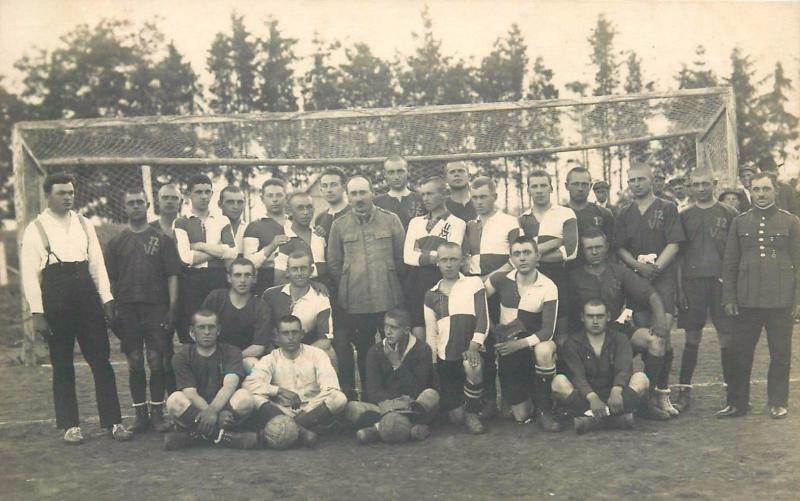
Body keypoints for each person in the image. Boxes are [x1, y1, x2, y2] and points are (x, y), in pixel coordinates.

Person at [20, 172, 132, 444]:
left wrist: (106, 299)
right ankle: (70, 426)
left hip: (86, 295)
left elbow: (97, 265)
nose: (68, 197)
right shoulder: (36, 228)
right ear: (48, 195)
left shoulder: (84, 223)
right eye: (61, 193)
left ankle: (113, 422)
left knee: (101, 361)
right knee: (62, 363)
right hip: (56, 297)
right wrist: (37, 314)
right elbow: (29, 275)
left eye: (70, 192)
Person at [565, 229, 671, 421]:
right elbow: (565, 312)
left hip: (615, 329)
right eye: (590, 248)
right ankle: (578, 403)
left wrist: (660, 320)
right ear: (583, 251)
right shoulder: (574, 277)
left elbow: (651, 294)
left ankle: (646, 400)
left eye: (598, 247)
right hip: (585, 335)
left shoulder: (619, 271)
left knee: (656, 341)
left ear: (606, 248)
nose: (595, 252)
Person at [718, 172, 800, 420]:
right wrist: (729, 298)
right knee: (739, 352)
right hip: (747, 300)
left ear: (775, 190)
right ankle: (737, 403)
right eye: (756, 190)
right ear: (750, 192)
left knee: (780, 354)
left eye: (765, 189)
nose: (761, 195)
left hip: (780, 300)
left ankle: (777, 402)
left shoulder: (791, 222)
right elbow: (730, 264)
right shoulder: (740, 222)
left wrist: (798, 301)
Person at [105, 188, 181, 434]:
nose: (136, 206)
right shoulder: (116, 242)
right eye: (131, 203)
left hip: (156, 308)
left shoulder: (162, 239)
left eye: (140, 202)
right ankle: (140, 415)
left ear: (148, 204)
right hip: (127, 309)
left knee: (156, 360)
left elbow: (172, 276)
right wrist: (111, 307)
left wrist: (172, 308)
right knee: (134, 361)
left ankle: (158, 413)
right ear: (124, 206)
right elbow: (110, 280)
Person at [614, 163, 685, 417]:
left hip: (662, 279)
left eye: (640, 179)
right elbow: (620, 248)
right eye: (631, 180)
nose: (636, 184)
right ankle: (645, 395)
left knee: (662, 334)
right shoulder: (623, 213)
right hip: (635, 281)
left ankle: (660, 394)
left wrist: (656, 267)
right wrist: (637, 267)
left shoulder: (667, 208)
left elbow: (675, 243)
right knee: (644, 336)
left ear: (652, 180)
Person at [328, 175, 406, 398]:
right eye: (354, 194)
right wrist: (349, 283)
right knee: (364, 352)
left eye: (363, 192)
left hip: (388, 299)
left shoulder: (391, 220)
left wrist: (389, 280)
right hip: (356, 302)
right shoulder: (339, 225)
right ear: (348, 196)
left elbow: (402, 259)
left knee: (393, 348)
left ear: (372, 193)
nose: (359, 198)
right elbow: (334, 264)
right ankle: (369, 398)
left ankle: (395, 395)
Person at [674, 170, 738, 412]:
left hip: (721, 283)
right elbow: (679, 258)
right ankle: (684, 391)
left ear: (714, 184)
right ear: (690, 187)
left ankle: (732, 392)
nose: (700, 188)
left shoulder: (729, 213)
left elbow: (735, 255)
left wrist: (733, 288)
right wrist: (679, 290)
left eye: (705, 184)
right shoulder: (684, 215)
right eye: (696, 184)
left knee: (727, 337)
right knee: (692, 337)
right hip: (692, 284)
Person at [484, 236, 560, 430]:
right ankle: (524, 400)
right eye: (517, 254)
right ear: (511, 258)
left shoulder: (548, 286)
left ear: (537, 256)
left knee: (544, 350)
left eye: (527, 252)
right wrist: (492, 328)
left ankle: (545, 409)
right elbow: (477, 299)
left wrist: (518, 344)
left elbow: (548, 331)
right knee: (521, 416)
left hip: (533, 344)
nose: (522, 258)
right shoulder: (501, 279)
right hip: (510, 347)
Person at [244, 315, 348, 448]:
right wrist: (279, 390)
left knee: (338, 397)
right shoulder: (271, 359)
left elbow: (330, 387)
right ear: (277, 337)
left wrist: (308, 410)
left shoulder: (317, 354)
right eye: (285, 333)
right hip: (282, 411)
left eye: (295, 332)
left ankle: (289, 428)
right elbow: (249, 384)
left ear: (302, 334)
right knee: (254, 397)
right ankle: (302, 431)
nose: (291, 337)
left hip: (313, 409)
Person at [462, 176, 519, 418]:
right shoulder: (470, 224)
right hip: (478, 289)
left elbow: (516, 258)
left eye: (483, 196)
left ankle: (510, 399)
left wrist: (491, 280)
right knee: (481, 344)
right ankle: (487, 402)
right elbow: (466, 258)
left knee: (504, 342)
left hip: (501, 289)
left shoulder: (509, 221)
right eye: (474, 197)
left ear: (494, 197)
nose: (478, 202)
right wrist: (474, 282)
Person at [164, 310, 258, 450]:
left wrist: (214, 411)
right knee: (174, 400)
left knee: (246, 398)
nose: (207, 332)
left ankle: (194, 435)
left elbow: (229, 386)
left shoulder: (232, 352)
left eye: (211, 327)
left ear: (218, 330)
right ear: (192, 331)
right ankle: (223, 437)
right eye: (201, 327)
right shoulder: (182, 356)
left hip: (224, 409)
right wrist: (211, 413)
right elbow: (190, 393)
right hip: (196, 410)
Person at [553, 299, 650, 434]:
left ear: (608, 317)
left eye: (600, 316)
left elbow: (624, 368)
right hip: (586, 397)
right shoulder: (572, 343)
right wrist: (592, 398)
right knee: (558, 382)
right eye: (590, 316)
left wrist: (616, 392)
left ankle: (592, 420)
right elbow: (576, 375)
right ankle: (616, 419)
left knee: (642, 379)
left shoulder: (620, 338)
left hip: (615, 395)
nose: (595, 321)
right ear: (582, 318)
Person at [343, 309, 439, 444]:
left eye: (393, 328)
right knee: (352, 408)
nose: (387, 332)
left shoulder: (422, 349)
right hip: (385, 407)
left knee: (431, 395)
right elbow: (373, 392)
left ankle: (377, 430)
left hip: (411, 405)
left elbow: (418, 389)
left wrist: (397, 364)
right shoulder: (375, 351)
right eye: (385, 326)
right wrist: (394, 407)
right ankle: (410, 428)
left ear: (406, 330)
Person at [424, 242, 490, 434]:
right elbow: (431, 333)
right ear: (437, 263)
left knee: (473, 364)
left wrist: (473, 346)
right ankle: (467, 402)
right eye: (444, 260)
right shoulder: (431, 294)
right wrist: (434, 362)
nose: (449, 264)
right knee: (455, 418)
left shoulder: (473, 284)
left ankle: (473, 412)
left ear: (461, 261)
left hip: (471, 350)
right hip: (447, 357)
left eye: (453, 259)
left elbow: (483, 320)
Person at [174, 174, 238, 344]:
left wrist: (201, 245)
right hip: (192, 281)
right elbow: (186, 258)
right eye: (198, 192)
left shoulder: (222, 220)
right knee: (194, 327)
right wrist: (219, 250)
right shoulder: (181, 222)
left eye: (207, 192)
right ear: (190, 195)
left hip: (217, 277)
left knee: (219, 325)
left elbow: (232, 252)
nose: (203, 196)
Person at [518, 169, 578, 339]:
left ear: (551, 188)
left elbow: (571, 252)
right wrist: (555, 242)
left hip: (559, 276)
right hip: (531, 280)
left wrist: (533, 254)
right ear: (528, 190)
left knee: (561, 333)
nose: (539, 190)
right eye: (534, 186)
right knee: (533, 330)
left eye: (543, 185)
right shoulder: (523, 219)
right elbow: (520, 254)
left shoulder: (565, 213)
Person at [404, 176, 466, 340]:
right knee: (418, 329)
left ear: (444, 194)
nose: (425, 198)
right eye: (423, 194)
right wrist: (434, 256)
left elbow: (449, 256)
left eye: (430, 194)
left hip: (441, 281)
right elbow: (407, 256)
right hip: (416, 281)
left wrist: (421, 252)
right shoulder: (415, 223)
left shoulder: (457, 223)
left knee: (441, 330)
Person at [261, 251, 337, 365]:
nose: (299, 273)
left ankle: (332, 383)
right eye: (294, 269)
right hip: (274, 349)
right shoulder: (270, 294)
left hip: (305, 347)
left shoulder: (321, 298)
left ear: (311, 271)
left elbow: (325, 340)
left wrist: (299, 356)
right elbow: (263, 330)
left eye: (303, 268)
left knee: (330, 354)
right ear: (287, 272)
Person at [201, 258, 272, 368]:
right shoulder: (216, 298)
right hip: (213, 355)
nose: (242, 280)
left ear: (254, 279)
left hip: (244, 357)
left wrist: (231, 358)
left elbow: (258, 347)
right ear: (229, 278)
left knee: (254, 364)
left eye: (247, 275)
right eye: (238, 275)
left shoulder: (260, 307)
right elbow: (202, 330)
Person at [243, 178, 290, 295]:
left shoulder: (295, 223)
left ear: (286, 197)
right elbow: (248, 264)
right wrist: (272, 246)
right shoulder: (254, 226)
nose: (275, 200)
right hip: (266, 282)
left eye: (279, 195)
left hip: (295, 279)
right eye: (270, 195)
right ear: (262, 198)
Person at [563, 166, 615, 266]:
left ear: (590, 186)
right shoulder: (558, 214)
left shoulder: (604, 213)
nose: (580, 188)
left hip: (596, 271)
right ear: (566, 186)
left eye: (584, 184)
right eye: (575, 184)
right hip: (567, 272)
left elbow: (611, 249)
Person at [273, 191, 327, 285]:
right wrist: (310, 287)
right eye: (300, 208)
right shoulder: (285, 239)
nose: (306, 212)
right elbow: (279, 280)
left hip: (325, 294)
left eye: (309, 207)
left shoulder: (319, 235)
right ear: (289, 211)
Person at [374, 155, 424, 230]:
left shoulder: (420, 199)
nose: (396, 177)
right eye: (391, 172)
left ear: (408, 172)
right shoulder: (377, 203)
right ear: (385, 174)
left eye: (400, 171)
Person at [313, 166, 351, 241]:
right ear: (321, 189)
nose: (329, 190)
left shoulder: (353, 213)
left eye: (334, 185)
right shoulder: (320, 218)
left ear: (344, 187)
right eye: (325, 186)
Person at [218, 185, 247, 258]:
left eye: (240, 202)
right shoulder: (211, 229)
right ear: (220, 204)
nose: (235, 207)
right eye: (230, 202)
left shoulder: (250, 230)